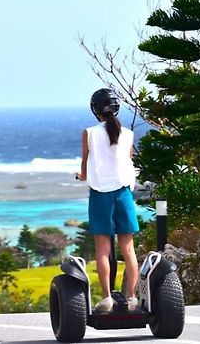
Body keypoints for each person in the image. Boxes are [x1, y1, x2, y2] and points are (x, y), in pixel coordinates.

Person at [76, 88, 139, 313]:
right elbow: (126, 162)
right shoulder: (128, 134)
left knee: (103, 249)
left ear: (95, 109)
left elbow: (86, 164)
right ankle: (131, 298)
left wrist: (82, 175)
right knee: (128, 249)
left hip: (100, 194)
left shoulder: (89, 132)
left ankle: (107, 298)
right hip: (123, 193)